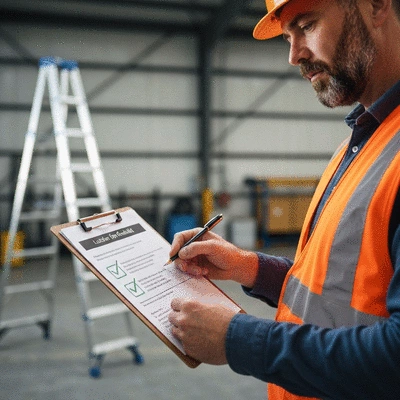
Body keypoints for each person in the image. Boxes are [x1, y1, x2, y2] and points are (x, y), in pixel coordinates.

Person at [168, 0, 400, 398]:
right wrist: (251, 268)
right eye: (288, 38)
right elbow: (341, 291)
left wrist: (237, 339)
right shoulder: (362, 142)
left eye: (307, 26)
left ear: (376, 6)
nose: (295, 56)